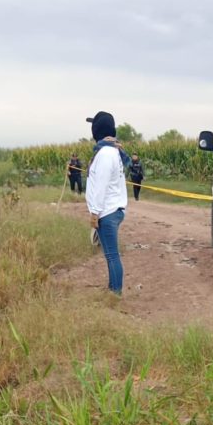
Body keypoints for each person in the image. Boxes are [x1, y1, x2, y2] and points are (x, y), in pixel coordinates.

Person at [85, 111, 131, 295]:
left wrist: (94, 213)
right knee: (111, 255)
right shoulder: (114, 151)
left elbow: (101, 186)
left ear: (97, 130)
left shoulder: (104, 153)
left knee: (112, 255)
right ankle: (113, 289)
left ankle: (115, 293)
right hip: (114, 209)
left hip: (107, 211)